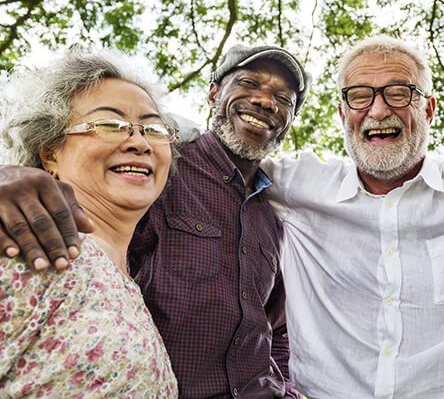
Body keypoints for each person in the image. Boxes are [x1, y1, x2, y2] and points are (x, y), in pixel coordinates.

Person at [0, 44, 308, 398]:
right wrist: (11, 176)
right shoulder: (162, 172)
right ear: (213, 93)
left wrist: (282, 384)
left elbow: (275, 328)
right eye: (249, 83)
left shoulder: (275, 214)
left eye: (283, 98)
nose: (266, 102)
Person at [262, 35, 444, 398]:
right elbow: (210, 157)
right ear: (342, 113)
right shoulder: (296, 185)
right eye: (359, 96)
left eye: (398, 93)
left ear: (428, 110)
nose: (378, 111)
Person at [0, 49, 178, 396]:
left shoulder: (128, 284)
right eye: (110, 125)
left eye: (153, 130)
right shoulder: (25, 249)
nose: (140, 143)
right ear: (51, 152)